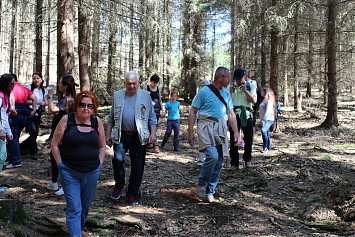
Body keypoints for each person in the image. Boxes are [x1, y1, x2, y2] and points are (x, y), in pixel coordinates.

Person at [51, 91, 105, 237]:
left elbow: (102, 146)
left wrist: (99, 164)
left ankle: (76, 231)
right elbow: (55, 145)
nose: (86, 108)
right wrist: (60, 165)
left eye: (90, 106)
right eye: (82, 105)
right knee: (74, 207)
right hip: (70, 171)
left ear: (94, 108)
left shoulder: (96, 122)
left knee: (85, 207)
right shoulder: (66, 120)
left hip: (92, 172)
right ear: (77, 105)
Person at [188, 67, 239, 203]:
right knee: (212, 155)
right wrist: (190, 131)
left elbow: (231, 114)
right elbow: (193, 111)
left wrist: (236, 132)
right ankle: (202, 183)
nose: (229, 80)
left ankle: (210, 192)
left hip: (221, 127)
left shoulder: (227, 94)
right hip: (206, 126)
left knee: (220, 161)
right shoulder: (204, 92)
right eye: (228, 77)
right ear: (220, 78)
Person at [106, 71, 157, 205]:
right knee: (117, 160)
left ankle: (132, 193)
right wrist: (107, 135)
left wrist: (153, 134)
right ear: (125, 83)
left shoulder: (145, 96)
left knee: (138, 166)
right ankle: (119, 184)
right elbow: (111, 117)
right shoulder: (117, 96)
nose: (132, 86)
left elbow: (152, 117)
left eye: (134, 83)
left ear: (138, 83)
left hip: (138, 137)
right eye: (129, 83)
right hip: (121, 135)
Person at [47, 75, 77, 195]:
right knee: (55, 155)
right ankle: (54, 182)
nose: (58, 85)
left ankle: (64, 185)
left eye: (60, 83)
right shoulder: (68, 98)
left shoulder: (67, 99)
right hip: (63, 133)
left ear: (65, 86)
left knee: (60, 157)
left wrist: (49, 95)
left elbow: (51, 109)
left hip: (65, 134)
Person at [6, 74, 37, 169]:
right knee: (15, 137)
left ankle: (16, 161)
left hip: (15, 115)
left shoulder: (12, 88)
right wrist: (34, 110)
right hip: (24, 116)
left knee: (12, 138)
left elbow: (11, 96)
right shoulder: (23, 88)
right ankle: (12, 159)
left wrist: (13, 108)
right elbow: (34, 97)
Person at [228, 68, 256, 169]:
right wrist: (230, 92)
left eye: (240, 79)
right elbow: (227, 102)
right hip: (234, 115)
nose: (238, 82)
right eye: (236, 80)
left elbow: (253, 100)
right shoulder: (230, 87)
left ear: (244, 77)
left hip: (247, 114)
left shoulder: (251, 85)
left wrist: (245, 91)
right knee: (233, 139)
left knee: (248, 139)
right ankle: (234, 162)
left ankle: (247, 159)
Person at [20, 72, 47, 160]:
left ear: (41, 79)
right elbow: (24, 101)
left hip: (38, 113)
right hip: (29, 112)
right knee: (32, 131)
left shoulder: (43, 90)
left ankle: (23, 148)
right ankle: (33, 152)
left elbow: (45, 101)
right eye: (34, 78)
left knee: (35, 133)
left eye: (37, 78)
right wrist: (37, 102)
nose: (35, 80)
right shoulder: (28, 88)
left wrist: (45, 104)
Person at [144, 74, 163, 153]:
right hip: (148, 110)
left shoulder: (158, 88)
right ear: (150, 81)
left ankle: (155, 144)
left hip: (157, 109)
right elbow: (143, 99)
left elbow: (160, 99)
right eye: (154, 82)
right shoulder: (146, 88)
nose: (155, 84)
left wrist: (162, 109)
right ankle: (150, 143)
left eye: (156, 83)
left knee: (154, 126)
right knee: (148, 126)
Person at [0, 74, 14, 175]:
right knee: (2, 156)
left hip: (3, 131)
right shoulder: (0, 97)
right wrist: (0, 129)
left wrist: (8, 131)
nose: (13, 86)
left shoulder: (5, 96)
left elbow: (5, 116)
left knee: (3, 157)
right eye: (12, 84)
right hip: (0, 131)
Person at [259, 86, 276, 153]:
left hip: (268, 119)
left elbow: (268, 111)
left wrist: (264, 119)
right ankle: (268, 147)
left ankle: (265, 147)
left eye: (262, 91)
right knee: (266, 132)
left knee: (263, 130)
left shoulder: (269, 100)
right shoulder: (265, 99)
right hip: (265, 119)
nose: (261, 92)